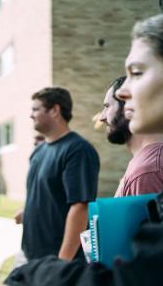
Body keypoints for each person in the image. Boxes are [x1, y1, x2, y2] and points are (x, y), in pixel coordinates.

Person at [5, 13, 163, 286]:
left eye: (136, 73)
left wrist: (43, 271)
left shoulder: (146, 166)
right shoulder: (40, 151)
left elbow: (137, 276)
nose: (123, 91)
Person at [16, 87, 100, 262]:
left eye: (36, 109)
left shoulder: (78, 150)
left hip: (55, 260)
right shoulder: (38, 151)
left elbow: (80, 208)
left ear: (55, 110)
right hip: (28, 254)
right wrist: (29, 212)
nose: (31, 115)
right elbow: (47, 194)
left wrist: (62, 264)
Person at [99, 76, 163, 197]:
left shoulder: (148, 171)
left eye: (107, 106)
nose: (101, 117)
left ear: (130, 107)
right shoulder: (148, 163)